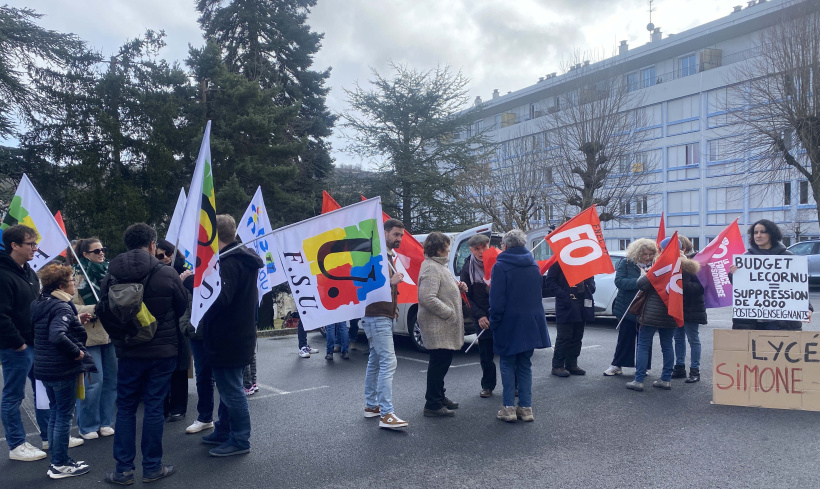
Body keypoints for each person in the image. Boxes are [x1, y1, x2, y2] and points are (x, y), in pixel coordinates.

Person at [96, 223, 188, 485]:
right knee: (155, 407)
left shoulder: (111, 275)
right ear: (151, 245)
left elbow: (103, 310)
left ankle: (123, 470)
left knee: (125, 408)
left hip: (128, 351)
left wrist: (120, 335)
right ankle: (152, 467)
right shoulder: (166, 273)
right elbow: (182, 306)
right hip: (163, 351)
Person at [198, 215, 262, 457]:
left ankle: (240, 439)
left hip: (228, 337)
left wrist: (194, 286)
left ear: (214, 237)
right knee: (226, 388)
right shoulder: (240, 258)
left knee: (232, 390)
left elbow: (220, 299)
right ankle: (224, 430)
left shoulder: (227, 262)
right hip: (237, 334)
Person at [32, 264, 96, 479]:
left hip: (44, 367)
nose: (74, 284)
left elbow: (50, 329)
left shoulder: (41, 303)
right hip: (61, 368)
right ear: (61, 285)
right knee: (63, 416)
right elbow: (57, 336)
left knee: (55, 413)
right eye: (71, 281)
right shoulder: (61, 306)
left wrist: (75, 320)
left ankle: (58, 460)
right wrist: (77, 352)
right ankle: (60, 463)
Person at [0, 224, 51, 461]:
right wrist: (18, 343)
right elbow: (2, 315)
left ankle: (49, 435)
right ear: (14, 245)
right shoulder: (3, 274)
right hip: (16, 346)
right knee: (14, 395)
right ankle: (17, 444)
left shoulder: (29, 271)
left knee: (43, 390)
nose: (35, 249)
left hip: (35, 341)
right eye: (30, 244)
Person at [489, 229, 550, 422]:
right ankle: (526, 407)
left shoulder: (500, 266)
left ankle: (508, 408)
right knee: (525, 364)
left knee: (507, 363)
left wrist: (494, 321)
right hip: (531, 321)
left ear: (505, 246)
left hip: (509, 321)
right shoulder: (533, 265)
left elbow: (497, 301)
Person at [627, 239, 699, 392]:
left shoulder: (662, 265)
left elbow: (642, 284)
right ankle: (666, 379)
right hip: (672, 312)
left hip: (652, 312)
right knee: (667, 345)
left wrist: (646, 274)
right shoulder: (687, 268)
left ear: (662, 250)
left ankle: (638, 380)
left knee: (644, 345)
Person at [362, 218, 408, 430]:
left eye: (401, 235)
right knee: (388, 363)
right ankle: (386, 413)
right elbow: (364, 285)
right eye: (396, 234)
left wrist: (394, 308)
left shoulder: (388, 255)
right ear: (385, 233)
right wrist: (390, 283)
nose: (399, 238)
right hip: (377, 315)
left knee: (376, 361)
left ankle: (372, 406)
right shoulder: (376, 255)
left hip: (383, 315)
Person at [72, 238, 118, 440]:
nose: (101, 253)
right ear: (85, 255)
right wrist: (96, 309)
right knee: (94, 383)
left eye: (103, 249)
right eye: (96, 250)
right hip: (89, 336)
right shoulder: (77, 276)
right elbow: (71, 307)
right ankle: (88, 424)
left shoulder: (110, 272)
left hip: (111, 334)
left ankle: (106, 421)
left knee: (111, 380)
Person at [418, 232, 467, 417]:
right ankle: (432, 404)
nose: (449, 248)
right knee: (439, 365)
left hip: (442, 325)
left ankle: (439, 396)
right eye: (447, 245)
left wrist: (458, 288)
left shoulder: (438, 266)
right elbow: (426, 297)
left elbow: (439, 290)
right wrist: (449, 313)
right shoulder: (432, 267)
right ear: (439, 248)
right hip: (438, 325)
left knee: (441, 364)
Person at [731, 219, 811, 330]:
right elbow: (739, 288)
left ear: (771, 234)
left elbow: (798, 287)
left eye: (763, 232)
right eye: (755, 232)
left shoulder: (788, 257)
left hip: (781, 321)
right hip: (752, 321)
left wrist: (807, 307)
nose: (758, 235)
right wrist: (733, 274)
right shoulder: (746, 258)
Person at [604, 239, 657, 376]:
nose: (648, 257)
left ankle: (642, 367)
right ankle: (617, 365)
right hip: (627, 307)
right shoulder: (626, 263)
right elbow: (619, 282)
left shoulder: (656, 265)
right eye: (645, 254)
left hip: (647, 308)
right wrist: (640, 282)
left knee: (644, 340)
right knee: (625, 337)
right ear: (637, 253)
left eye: (651, 254)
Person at [155, 239, 192, 422]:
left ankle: (178, 407)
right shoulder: (155, 272)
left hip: (179, 324)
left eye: (168, 253)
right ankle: (163, 406)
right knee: (162, 370)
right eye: (160, 256)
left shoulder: (184, 270)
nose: (165, 258)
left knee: (180, 368)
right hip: (162, 326)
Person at [460, 234, 498, 398]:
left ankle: (515, 385)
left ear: (489, 245)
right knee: (486, 354)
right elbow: (467, 297)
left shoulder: (499, 260)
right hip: (481, 316)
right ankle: (488, 385)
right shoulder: (467, 267)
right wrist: (480, 316)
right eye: (477, 249)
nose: (481, 252)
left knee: (508, 352)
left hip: (500, 313)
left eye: (484, 247)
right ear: (471, 250)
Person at [544, 262, 595, 377]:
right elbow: (550, 281)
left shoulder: (585, 261)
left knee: (577, 336)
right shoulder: (559, 261)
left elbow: (591, 279)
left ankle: (572, 364)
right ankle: (557, 366)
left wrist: (590, 287)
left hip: (582, 302)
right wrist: (564, 295)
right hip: (566, 303)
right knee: (564, 336)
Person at [671, 236, 706, 383]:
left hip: (692, 308)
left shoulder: (694, 264)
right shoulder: (672, 264)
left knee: (693, 339)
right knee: (678, 338)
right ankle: (679, 367)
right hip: (677, 308)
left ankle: (695, 370)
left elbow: (700, 287)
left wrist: (682, 281)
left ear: (683, 249)